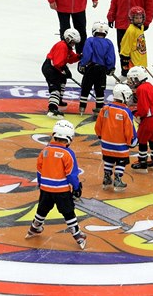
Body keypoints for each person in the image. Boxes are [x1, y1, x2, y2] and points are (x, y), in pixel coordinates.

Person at [25, 119, 86, 250]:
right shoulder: (68, 153)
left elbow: (39, 170)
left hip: (46, 189)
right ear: (69, 137)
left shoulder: (45, 151)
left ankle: (35, 227)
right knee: (68, 212)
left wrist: (41, 185)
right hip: (61, 190)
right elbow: (71, 174)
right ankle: (77, 235)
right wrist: (76, 188)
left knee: (42, 209)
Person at [107, 0, 153, 77]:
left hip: (136, 24)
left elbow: (150, 5)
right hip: (121, 22)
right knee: (122, 49)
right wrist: (111, 15)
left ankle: (135, 73)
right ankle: (125, 72)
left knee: (135, 50)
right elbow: (114, 1)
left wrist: (147, 21)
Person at [94, 83, 138, 191]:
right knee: (121, 160)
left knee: (108, 159)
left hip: (106, 143)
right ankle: (118, 179)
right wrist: (132, 141)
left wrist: (100, 136)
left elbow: (98, 125)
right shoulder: (125, 112)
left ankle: (107, 178)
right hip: (120, 145)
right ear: (124, 96)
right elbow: (129, 129)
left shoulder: (105, 108)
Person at [126, 66, 153, 172]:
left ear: (137, 78)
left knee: (142, 140)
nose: (130, 82)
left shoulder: (141, 89)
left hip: (150, 120)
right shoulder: (149, 85)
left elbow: (143, 108)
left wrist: (137, 114)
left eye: (132, 79)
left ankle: (142, 163)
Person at [78, 21, 116, 116]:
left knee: (85, 88)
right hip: (102, 70)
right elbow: (110, 57)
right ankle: (99, 108)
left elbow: (87, 54)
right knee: (100, 90)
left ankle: (82, 107)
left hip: (91, 68)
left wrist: (82, 64)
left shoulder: (90, 40)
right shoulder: (109, 43)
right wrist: (110, 67)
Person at [42, 28, 81, 119]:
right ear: (68, 39)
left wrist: (79, 57)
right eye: (73, 42)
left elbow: (70, 58)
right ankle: (52, 108)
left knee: (63, 80)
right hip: (50, 68)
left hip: (56, 68)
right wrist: (64, 70)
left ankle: (58, 100)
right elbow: (57, 63)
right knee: (55, 87)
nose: (74, 44)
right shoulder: (62, 46)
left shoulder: (67, 47)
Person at [119, 6, 148, 77]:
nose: (139, 20)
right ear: (132, 18)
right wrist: (125, 58)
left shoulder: (141, 27)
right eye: (136, 18)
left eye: (140, 18)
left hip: (141, 58)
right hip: (134, 61)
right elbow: (125, 44)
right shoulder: (131, 30)